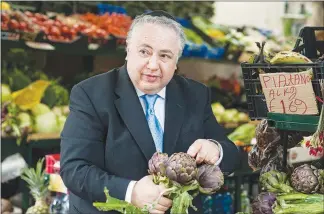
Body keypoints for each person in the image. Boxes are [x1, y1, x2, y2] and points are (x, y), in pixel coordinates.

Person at [60, 10, 239, 214]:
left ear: (176, 61)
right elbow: (74, 169)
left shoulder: (195, 95)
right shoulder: (91, 94)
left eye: (165, 56)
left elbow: (232, 155)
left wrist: (215, 149)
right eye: (144, 52)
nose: (153, 65)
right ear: (128, 50)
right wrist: (131, 191)